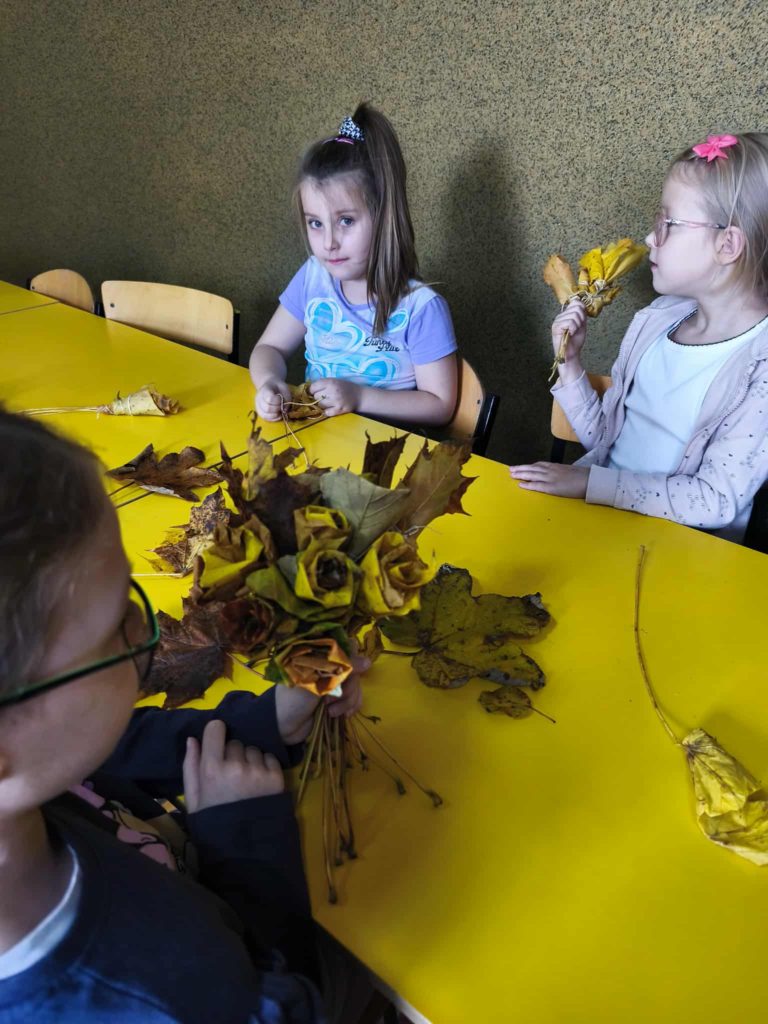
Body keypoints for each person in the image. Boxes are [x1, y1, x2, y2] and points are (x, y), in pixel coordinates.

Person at [0, 408, 365, 1023]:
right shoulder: (155, 996)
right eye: (117, 625)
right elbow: (288, 1004)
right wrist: (245, 839)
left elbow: (111, 755)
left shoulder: (33, 780)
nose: (145, 628)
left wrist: (268, 720)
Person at [510, 132, 768, 542]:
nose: (650, 238)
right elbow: (605, 442)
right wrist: (571, 366)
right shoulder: (655, 321)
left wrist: (591, 484)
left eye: (668, 224)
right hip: (602, 521)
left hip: (682, 550)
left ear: (728, 244)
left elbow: (715, 499)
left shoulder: (759, 366)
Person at [250, 102, 458, 427]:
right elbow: (269, 347)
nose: (329, 242)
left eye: (345, 220)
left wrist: (359, 397)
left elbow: (440, 405)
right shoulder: (314, 277)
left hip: (386, 452)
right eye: (315, 223)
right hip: (318, 441)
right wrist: (268, 381)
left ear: (383, 216)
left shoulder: (421, 308)